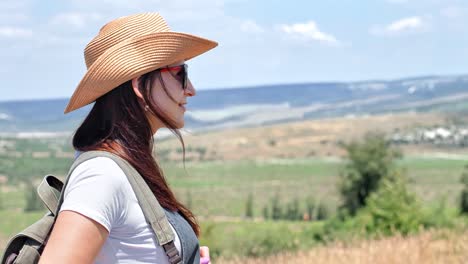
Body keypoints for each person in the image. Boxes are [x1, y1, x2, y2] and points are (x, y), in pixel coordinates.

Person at [39, 12, 218, 264]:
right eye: (180, 72)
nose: (191, 89)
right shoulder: (101, 174)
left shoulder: (126, 164)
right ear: (139, 84)